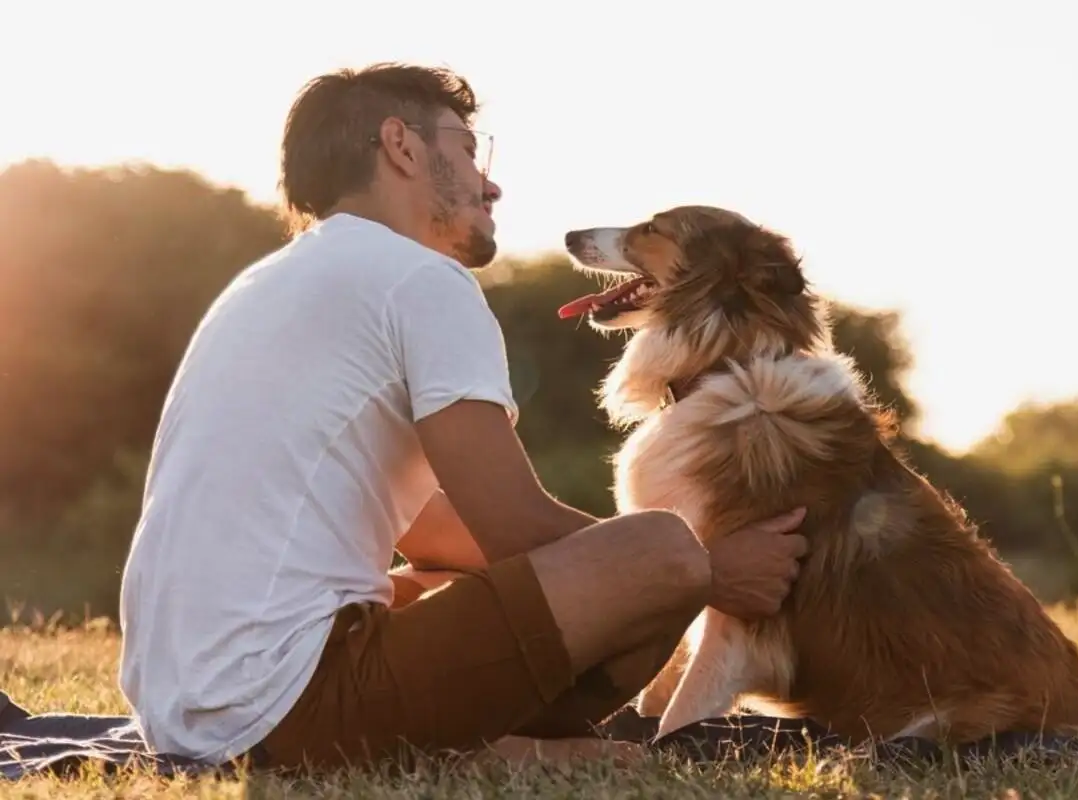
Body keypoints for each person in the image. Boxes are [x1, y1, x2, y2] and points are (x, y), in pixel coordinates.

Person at [116, 61, 810, 773]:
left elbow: (427, 528)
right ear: (403, 147)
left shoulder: (268, 283)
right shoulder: (421, 280)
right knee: (658, 548)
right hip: (284, 711)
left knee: (438, 582)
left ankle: (460, 745)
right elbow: (514, 527)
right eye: (469, 151)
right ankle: (479, 756)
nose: (491, 183)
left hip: (182, 711)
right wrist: (705, 571)